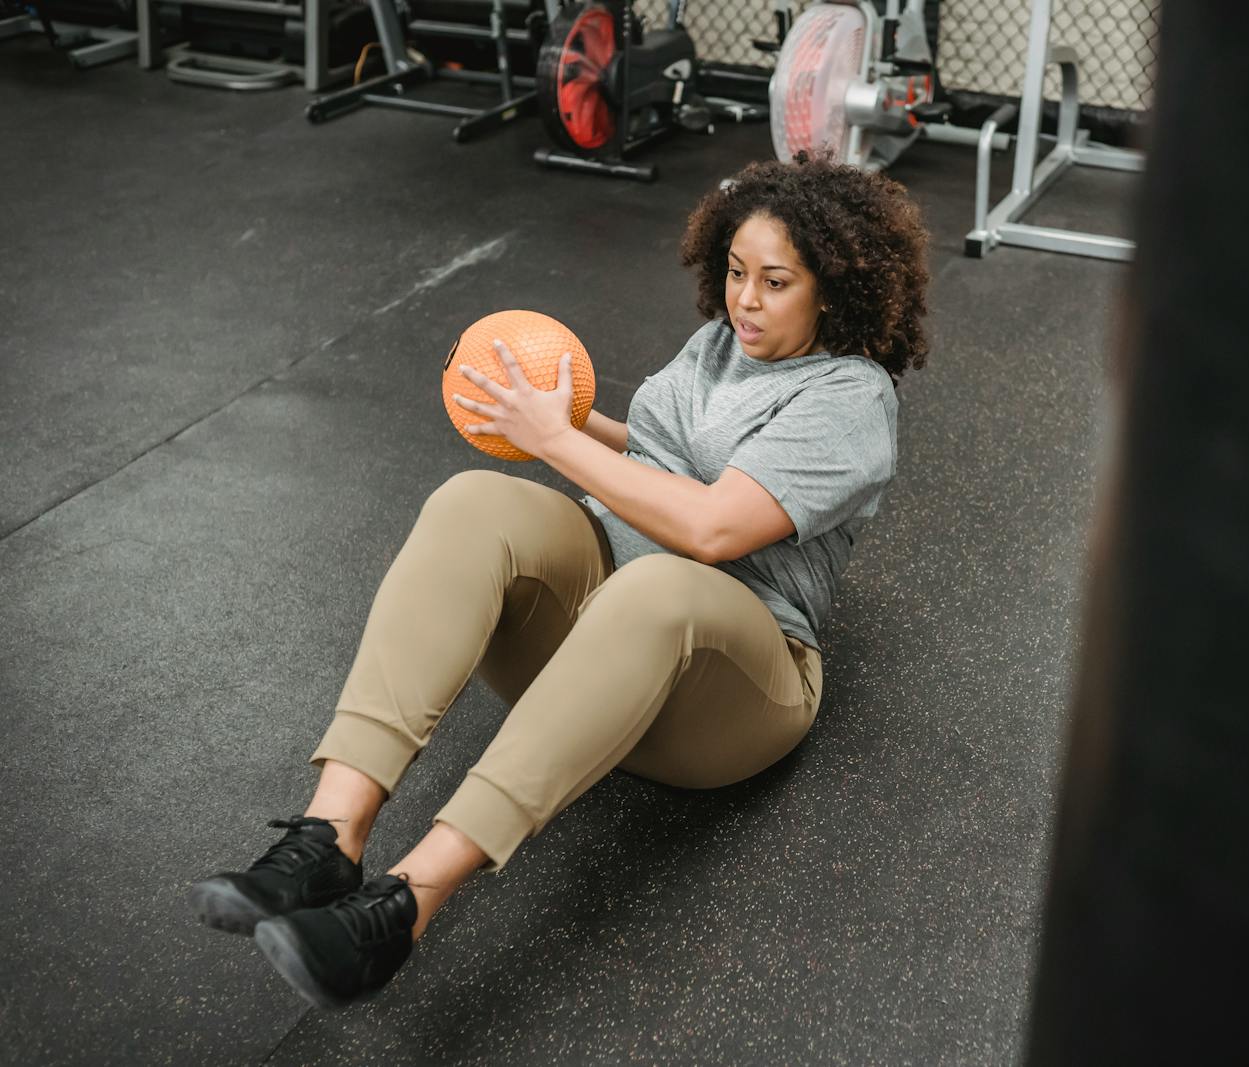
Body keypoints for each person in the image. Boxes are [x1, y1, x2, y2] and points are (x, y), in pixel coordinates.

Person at [186, 154, 931, 1009]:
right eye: (734, 272)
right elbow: (658, 460)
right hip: (602, 643)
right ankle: (330, 834)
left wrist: (554, 440)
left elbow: (711, 527)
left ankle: (403, 906)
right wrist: (557, 412)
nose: (744, 301)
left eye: (775, 282)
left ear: (831, 290)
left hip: (725, 695)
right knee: (473, 501)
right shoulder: (722, 345)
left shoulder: (852, 396)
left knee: (657, 590)